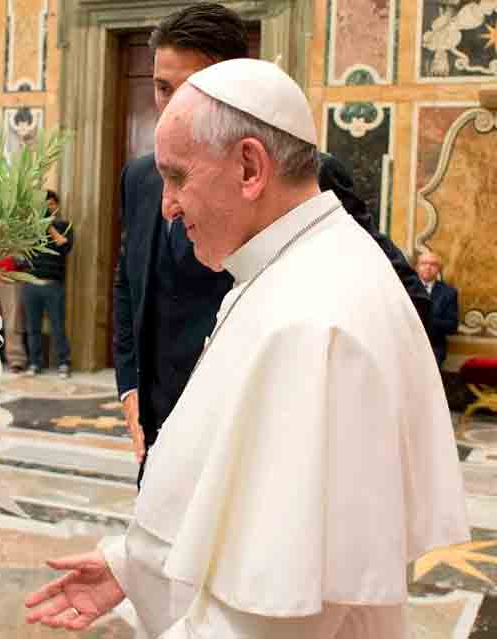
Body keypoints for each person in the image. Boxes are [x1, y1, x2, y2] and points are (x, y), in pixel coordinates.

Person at [26, 58, 468, 638]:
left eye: (178, 177)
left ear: (250, 167)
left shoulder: (319, 318)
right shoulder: (287, 267)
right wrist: (132, 567)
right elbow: (235, 481)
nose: (167, 206)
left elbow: (273, 616)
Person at [112, 3, 431, 486]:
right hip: (162, 445)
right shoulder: (138, 178)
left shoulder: (302, 176)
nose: (171, 105)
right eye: (161, 88)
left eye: (190, 89)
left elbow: (404, 305)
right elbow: (128, 282)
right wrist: (130, 385)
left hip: (253, 454)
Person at [20, 190, 73, 377]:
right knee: (32, 328)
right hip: (32, 285)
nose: (48, 208)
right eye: (45, 205)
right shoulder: (31, 229)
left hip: (53, 285)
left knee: (58, 326)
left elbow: (64, 246)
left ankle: (63, 363)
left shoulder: (64, 226)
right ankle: (35, 363)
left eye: (51, 204)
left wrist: (48, 226)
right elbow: (21, 253)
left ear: (57, 205)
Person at [417, 250, 459, 367]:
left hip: (433, 347)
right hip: (406, 344)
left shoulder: (449, 293)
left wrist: (428, 320)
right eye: (424, 263)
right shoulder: (404, 289)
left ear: (439, 269)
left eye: (433, 264)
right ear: (417, 267)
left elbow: (452, 326)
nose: (428, 267)